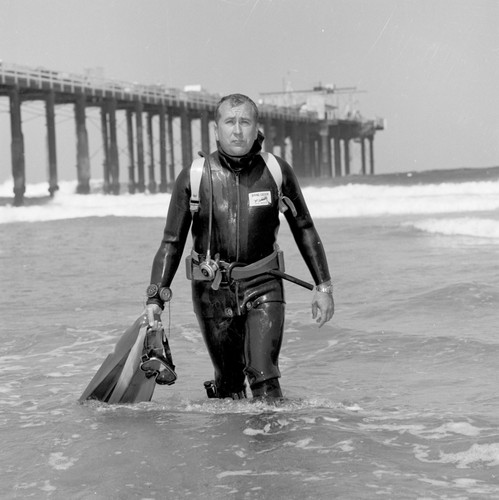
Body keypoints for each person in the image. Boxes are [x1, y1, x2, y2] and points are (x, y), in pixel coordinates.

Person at [144, 93, 334, 400]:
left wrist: (323, 287)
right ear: (216, 129)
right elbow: (172, 242)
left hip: (264, 285)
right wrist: (155, 297)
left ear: (256, 126)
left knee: (264, 377)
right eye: (230, 122)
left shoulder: (275, 171)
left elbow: (305, 228)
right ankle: (230, 446)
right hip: (211, 293)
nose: (237, 130)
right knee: (229, 384)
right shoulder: (194, 177)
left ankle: (273, 446)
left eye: (244, 122)